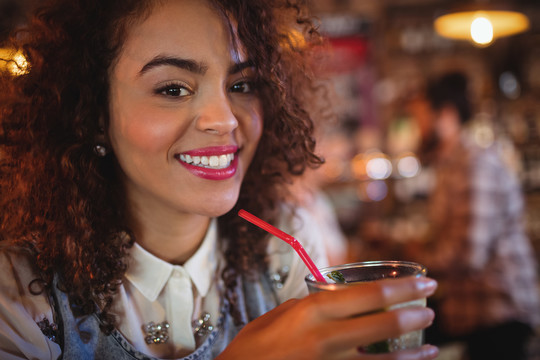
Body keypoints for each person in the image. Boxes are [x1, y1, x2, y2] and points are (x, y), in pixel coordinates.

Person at [0, 0, 439, 359]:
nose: (225, 120)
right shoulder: (19, 293)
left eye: (242, 85)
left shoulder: (282, 244)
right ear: (94, 117)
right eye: (173, 89)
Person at [405, 72, 540, 360]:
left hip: (500, 313)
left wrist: (413, 261)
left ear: (446, 115)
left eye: (420, 118)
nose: (417, 129)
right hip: (470, 310)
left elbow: (468, 255)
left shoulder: (474, 164)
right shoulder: (451, 165)